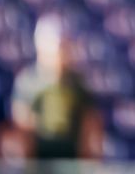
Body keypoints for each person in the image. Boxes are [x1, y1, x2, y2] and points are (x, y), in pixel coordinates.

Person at [10, 14, 103, 162]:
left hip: (71, 160)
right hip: (40, 160)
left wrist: (89, 160)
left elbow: (90, 123)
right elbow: (21, 123)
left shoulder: (78, 83)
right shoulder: (28, 81)